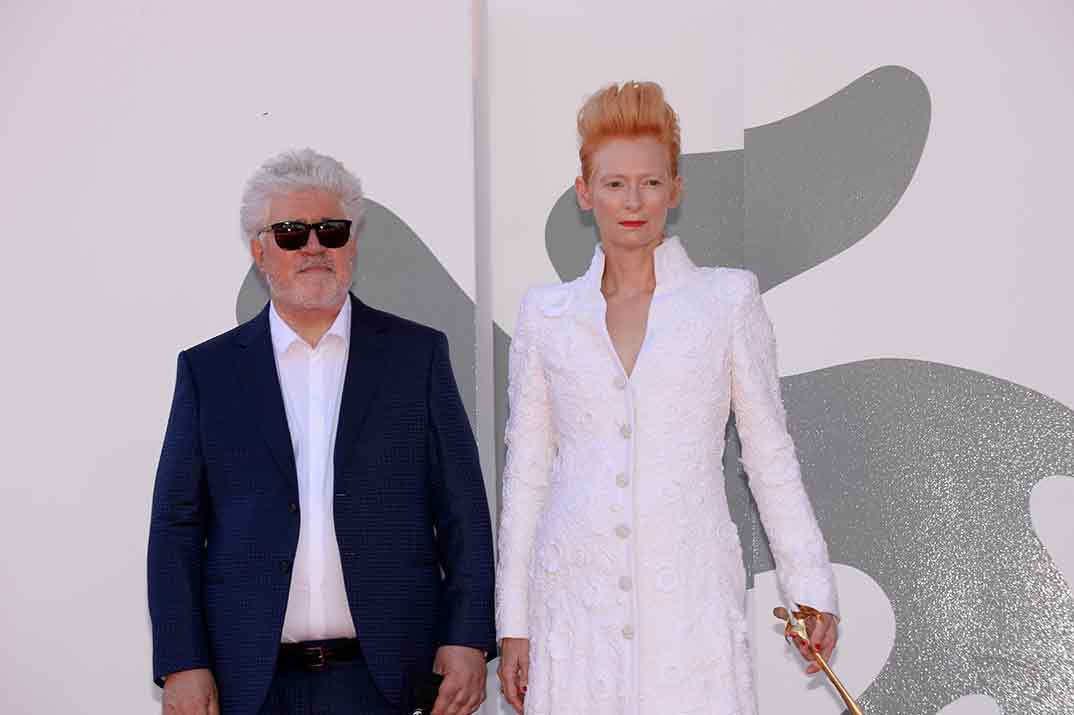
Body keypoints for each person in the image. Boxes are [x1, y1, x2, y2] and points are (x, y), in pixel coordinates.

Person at [494, 82, 839, 714]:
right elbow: (527, 476)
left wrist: (811, 585)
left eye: (651, 183)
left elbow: (768, 455)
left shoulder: (726, 301)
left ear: (675, 189)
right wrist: (512, 623)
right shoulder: (545, 314)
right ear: (584, 191)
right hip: (575, 602)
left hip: (690, 601)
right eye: (615, 183)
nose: (633, 201)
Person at [148, 149, 495, 715]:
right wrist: (182, 662)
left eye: (331, 231)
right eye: (290, 233)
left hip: (389, 681)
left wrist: (467, 639)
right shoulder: (208, 373)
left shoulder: (417, 358)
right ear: (260, 250)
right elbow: (176, 526)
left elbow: (463, 512)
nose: (313, 246)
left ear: (353, 244)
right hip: (249, 684)